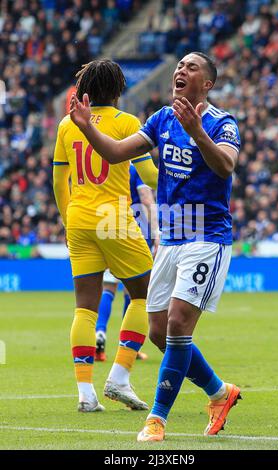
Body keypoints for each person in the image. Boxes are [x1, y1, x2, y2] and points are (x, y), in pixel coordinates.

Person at [70, 52, 242, 441]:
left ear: (207, 84)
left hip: (207, 236)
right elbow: (116, 153)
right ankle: (219, 392)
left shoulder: (222, 123)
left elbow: (226, 167)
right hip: (172, 238)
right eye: (179, 66)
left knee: (179, 325)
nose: (181, 70)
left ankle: (157, 419)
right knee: (159, 333)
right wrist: (86, 128)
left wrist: (198, 133)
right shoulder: (162, 119)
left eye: (191, 67)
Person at [53, 59, 158, 413]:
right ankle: (119, 377)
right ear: (118, 89)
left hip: (79, 217)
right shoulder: (127, 123)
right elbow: (152, 177)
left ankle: (86, 393)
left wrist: (68, 221)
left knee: (84, 306)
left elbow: (58, 181)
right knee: (147, 295)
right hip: (113, 216)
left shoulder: (68, 124)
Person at [96, 163, 159, 362]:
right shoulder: (136, 166)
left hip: (105, 225)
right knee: (135, 291)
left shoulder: (102, 163)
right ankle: (130, 346)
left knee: (108, 286)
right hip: (132, 229)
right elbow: (147, 200)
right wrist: (156, 231)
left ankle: (99, 332)